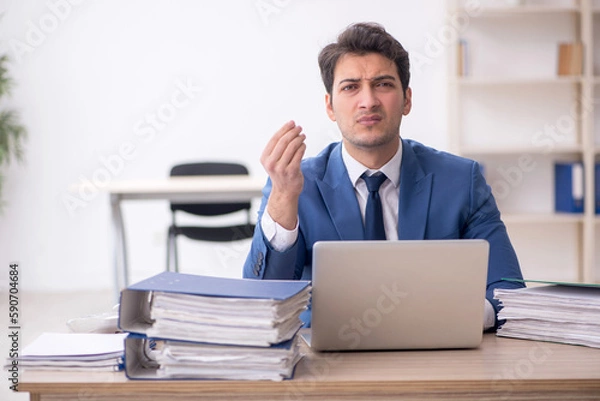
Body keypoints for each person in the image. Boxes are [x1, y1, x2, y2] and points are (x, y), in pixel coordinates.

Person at [243, 22, 525, 331]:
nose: (368, 101)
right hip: (331, 363)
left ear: (406, 99)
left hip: (435, 356)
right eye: (350, 87)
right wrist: (283, 197)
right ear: (330, 106)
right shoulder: (296, 186)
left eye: (383, 84)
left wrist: (453, 318)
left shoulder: (461, 181)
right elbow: (263, 301)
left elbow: (508, 293)